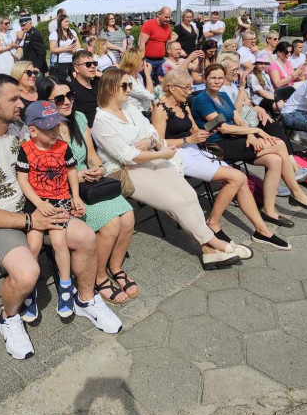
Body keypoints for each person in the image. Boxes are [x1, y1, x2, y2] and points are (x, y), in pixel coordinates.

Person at [0, 75, 121, 359]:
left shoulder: (22, 130)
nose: (22, 103)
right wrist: (31, 222)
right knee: (28, 272)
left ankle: (85, 299)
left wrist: (69, 197)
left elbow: (55, 161)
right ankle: (9, 318)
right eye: (14, 99)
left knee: (84, 237)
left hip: (38, 208)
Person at [91, 67, 254, 270]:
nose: (129, 89)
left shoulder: (129, 108)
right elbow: (127, 156)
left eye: (130, 85)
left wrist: (147, 143)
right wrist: (156, 150)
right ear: (109, 88)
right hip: (123, 171)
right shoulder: (102, 121)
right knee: (176, 201)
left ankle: (209, 252)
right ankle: (214, 243)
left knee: (189, 194)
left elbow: (152, 133)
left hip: (148, 158)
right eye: (125, 85)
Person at [153, 68, 290, 250]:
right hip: (177, 154)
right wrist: (187, 140)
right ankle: (213, 223)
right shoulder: (160, 109)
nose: (189, 92)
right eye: (185, 88)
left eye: (189, 88)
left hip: (194, 148)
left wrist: (206, 129)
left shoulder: (183, 104)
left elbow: (194, 129)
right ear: (171, 87)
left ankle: (262, 230)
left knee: (238, 179)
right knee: (237, 177)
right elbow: (158, 143)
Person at [38, 78, 137, 304]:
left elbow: (91, 154)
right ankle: (98, 277)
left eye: (70, 95)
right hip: (63, 188)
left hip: (89, 183)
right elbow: (44, 174)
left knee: (129, 216)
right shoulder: (41, 130)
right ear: (46, 102)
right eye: (59, 99)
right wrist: (78, 175)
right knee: (111, 224)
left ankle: (115, 267)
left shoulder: (79, 118)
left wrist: (97, 167)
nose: (67, 102)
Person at [193, 59, 307, 210]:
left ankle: (269, 209)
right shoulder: (202, 100)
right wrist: (256, 130)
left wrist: (250, 135)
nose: (217, 81)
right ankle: (297, 193)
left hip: (233, 139)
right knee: (279, 144)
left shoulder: (222, 95)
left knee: (274, 160)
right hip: (217, 145)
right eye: (213, 78)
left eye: (220, 78)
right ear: (205, 79)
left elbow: (238, 118)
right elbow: (224, 128)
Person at [16, 100, 87, 318]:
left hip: (59, 199)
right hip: (35, 201)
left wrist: (75, 197)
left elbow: (72, 172)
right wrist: (38, 203)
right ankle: (30, 290)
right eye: (49, 128)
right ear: (32, 130)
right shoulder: (26, 150)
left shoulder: (63, 148)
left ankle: (65, 285)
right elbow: (23, 180)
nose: (55, 131)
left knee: (59, 242)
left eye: (57, 126)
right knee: (34, 245)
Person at [138, 6, 174, 78]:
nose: (168, 19)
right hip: (148, 60)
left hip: (161, 60)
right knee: (148, 83)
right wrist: (142, 60)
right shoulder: (149, 24)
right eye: (166, 17)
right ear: (159, 15)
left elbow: (168, 44)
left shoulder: (168, 27)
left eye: (169, 17)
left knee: (161, 85)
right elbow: (142, 44)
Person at [120, 47, 155, 115]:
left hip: (143, 112)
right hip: (133, 115)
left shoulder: (138, 76)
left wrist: (149, 104)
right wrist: (148, 74)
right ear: (134, 62)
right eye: (142, 59)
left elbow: (145, 93)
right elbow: (150, 95)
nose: (144, 62)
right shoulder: (127, 79)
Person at [69, 50, 100, 125]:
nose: (93, 66)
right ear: (76, 68)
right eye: (88, 64)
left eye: (95, 64)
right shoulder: (71, 90)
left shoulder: (99, 84)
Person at [50, 14, 79, 81]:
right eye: (65, 21)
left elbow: (78, 46)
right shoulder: (55, 34)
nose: (68, 23)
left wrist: (74, 49)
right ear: (60, 22)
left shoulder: (72, 32)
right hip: (60, 63)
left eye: (68, 21)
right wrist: (66, 49)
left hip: (72, 62)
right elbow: (52, 49)